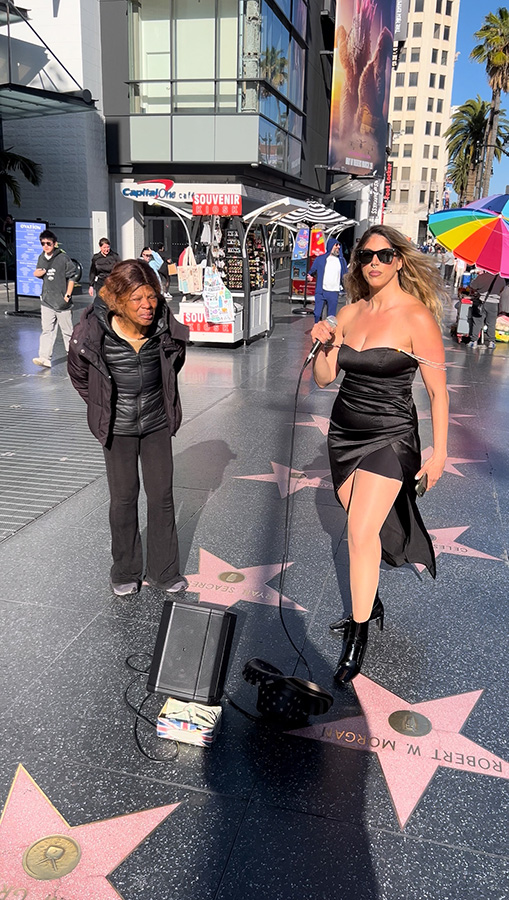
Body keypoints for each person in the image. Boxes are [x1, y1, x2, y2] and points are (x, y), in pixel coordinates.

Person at [310, 225, 448, 683]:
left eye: (384, 255)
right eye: (366, 256)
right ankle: (370, 600)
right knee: (362, 530)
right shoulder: (349, 313)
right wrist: (325, 342)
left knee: (359, 530)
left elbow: (437, 391)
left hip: (391, 435)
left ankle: (358, 632)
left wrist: (440, 452)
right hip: (345, 433)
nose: (373, 262)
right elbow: (324, 379)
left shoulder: (416, 318)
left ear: (399, 261)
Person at [67, 259, 189, 596]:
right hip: (117, 428)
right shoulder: (92, 331)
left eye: (151, 297)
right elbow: (79, 373)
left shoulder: (164, 326)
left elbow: (174, 362)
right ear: (119, 300)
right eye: (137, 298)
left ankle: (164, 571)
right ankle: (125, 571)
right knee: (123, 498)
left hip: (156, 423)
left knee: (161, 496)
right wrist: (102, 403)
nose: (147, 305)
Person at [32, 229, 77, 368]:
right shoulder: (41, 257)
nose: (45, 246)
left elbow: (72, 277)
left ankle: (73, 357)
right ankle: (44, 357)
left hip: (62, 302)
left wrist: (67, 295)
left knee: (67, 332)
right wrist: (37, 273)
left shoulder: (63, 258)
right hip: (47, 300)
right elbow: (38, 271)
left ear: (55, 244)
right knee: (47, 330)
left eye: (48, 243)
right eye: (43, 243)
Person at [307, 238, 348, 323]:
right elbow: (312, 270)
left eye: (339, 245)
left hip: (333, 292)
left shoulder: (341, 261)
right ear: (331, 246)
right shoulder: (320, 259)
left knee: (331, 317)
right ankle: (317, 326)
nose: (338, 247)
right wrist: (310, 276)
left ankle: (329, 330)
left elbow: (345, 274)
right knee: (317, 313)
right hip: (321, 291)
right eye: (336, 245)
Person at [467, 271, 509, 350]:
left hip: (481, 302)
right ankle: (491, 342)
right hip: (494, 304)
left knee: (477, 322)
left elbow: (472, 286)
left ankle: (474, 341)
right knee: (491, 323)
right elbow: (501, 290)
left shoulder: (482, 276)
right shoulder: (501, 279)